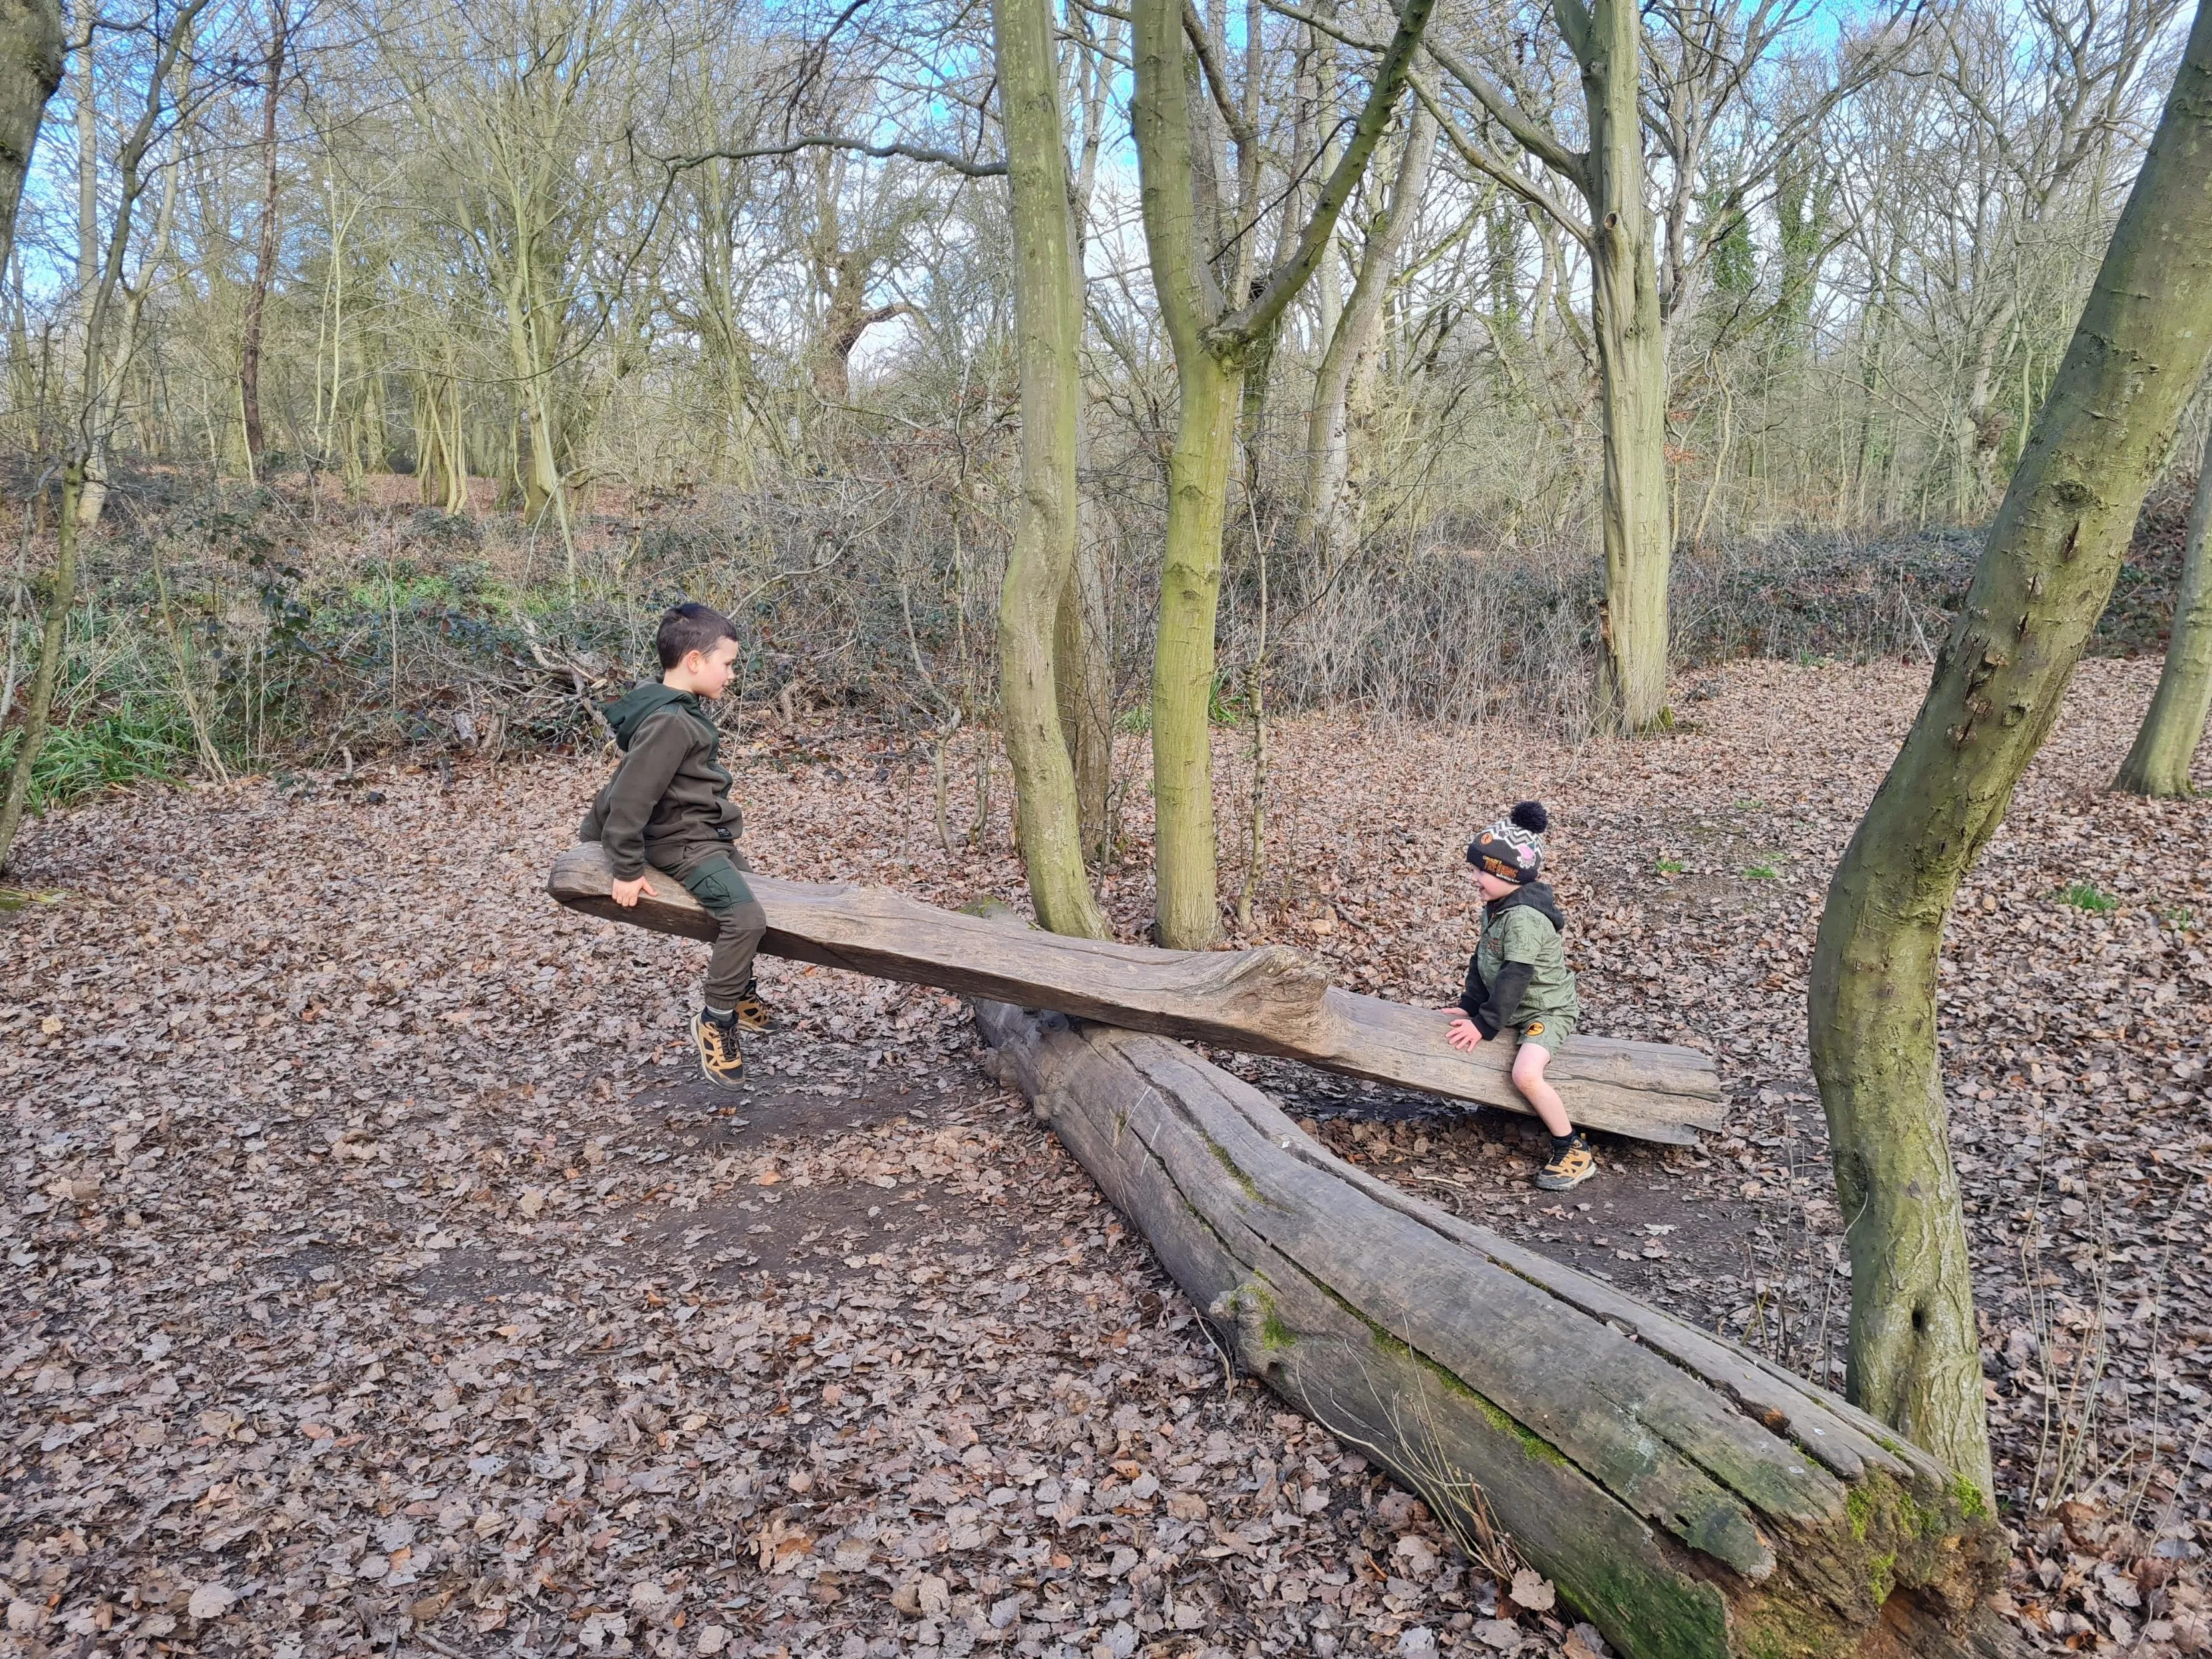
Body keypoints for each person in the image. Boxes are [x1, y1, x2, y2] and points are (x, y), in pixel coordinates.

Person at [579, 601, 768, 1089]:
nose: (731, 674)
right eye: (726, 664)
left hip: (705, 833)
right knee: (745, 917)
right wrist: (624, 867)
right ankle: (717, 1020)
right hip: (682, 843)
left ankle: (739, 983)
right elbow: (630, 795)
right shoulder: (670, 722)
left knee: (756, 895)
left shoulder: (670, 707)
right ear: (694, 662)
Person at [1438, 801, 1593, 1190]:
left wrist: (1485, 1025)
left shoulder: (1524, 918)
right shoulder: (1498, 905)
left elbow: (1515, 976)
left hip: (1545, 1009)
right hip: (1516, 1006)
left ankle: (1572, 1149)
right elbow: (1483, 958)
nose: (1474, 878)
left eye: (1480, 871)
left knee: (1525, 1074)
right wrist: (1470, 1005)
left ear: (1508, 873)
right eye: (1474, 869)